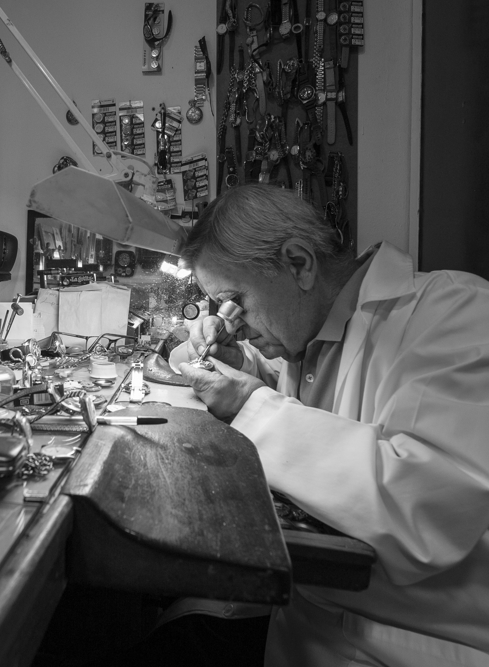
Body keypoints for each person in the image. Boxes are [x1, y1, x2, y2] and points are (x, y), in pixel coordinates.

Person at [174, 184, 489, 666]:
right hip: (308, 619)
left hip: (394, 643)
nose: (231, 323)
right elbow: (331, 411)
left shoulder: (457, 312)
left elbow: (422, 507)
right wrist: (250, 367)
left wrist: (250, 405)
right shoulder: (317, 332)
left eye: (235, 301)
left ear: (298, 263)